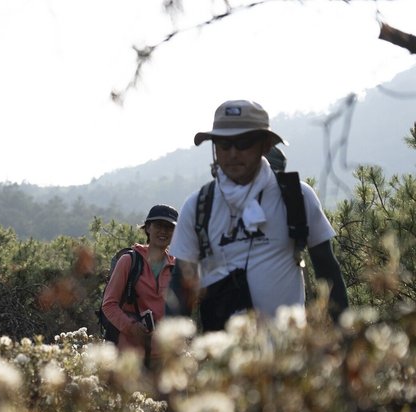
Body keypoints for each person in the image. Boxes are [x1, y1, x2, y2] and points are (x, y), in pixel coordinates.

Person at [168, 100, 348, 330]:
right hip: (223, 358)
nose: (232, 153)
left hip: (287, 353)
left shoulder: (296, 197)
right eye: (223, 144)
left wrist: (344, 336)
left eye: (243, 143)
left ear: (265, 145)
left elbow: (326, 268)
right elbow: (182, 284)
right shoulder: (197, 207)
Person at [101, 204, 177, 367]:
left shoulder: (176, 267)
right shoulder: (129, 261)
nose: (163, 231)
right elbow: (109, 305)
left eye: (169, 227)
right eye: (158, 225)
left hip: (162, 356)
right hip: (129, 356)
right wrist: (132, 327)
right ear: (148, 228)